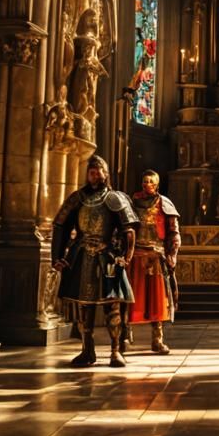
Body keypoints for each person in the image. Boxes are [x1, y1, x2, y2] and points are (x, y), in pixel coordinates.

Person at [52, 154, 137, 368]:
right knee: (85, 307)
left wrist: (125, 256)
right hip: (81, 256)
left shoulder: (115, 198)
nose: (95, 175)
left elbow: (128, 229)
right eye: (91, 171)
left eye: (99, 171)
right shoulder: (76, 198)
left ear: (105, 174)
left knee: (113, 306)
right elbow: (61, 226)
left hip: (107, 256)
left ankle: (115, 351)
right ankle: (86, 350)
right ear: (87, 174)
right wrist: (57, 256)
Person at [129, 170, 181, 354]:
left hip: (156, 255)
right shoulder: (132, 203)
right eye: (144, 181)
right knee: (129, 299)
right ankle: (124, 336)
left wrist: (172, 253)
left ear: (157, 184)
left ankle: (157, 340)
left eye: (150, 181)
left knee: (157, 301)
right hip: (134, 255)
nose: (146, 184)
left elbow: (173, 231)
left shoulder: (164, 204)